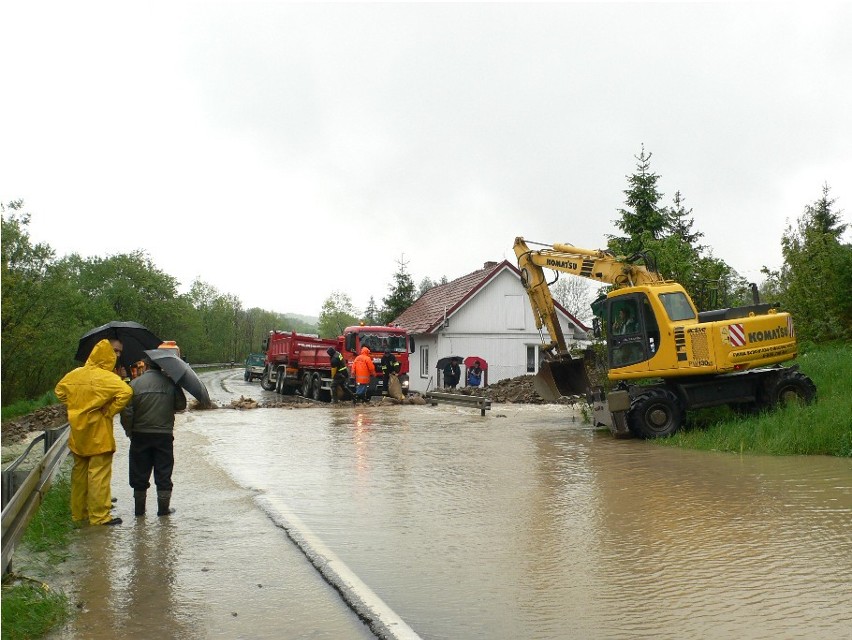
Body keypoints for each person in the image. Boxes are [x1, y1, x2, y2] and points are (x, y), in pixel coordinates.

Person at [55, 338, 133, 526]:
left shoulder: (74, 374)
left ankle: (79, 514)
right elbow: (126, 392)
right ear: (107, 357)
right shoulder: (107, 378)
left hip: (78, 434)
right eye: (115, 353)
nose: (117, 356)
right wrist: (110, 410)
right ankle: (99, 516)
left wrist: (75, 405)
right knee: (98, 475)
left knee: (79, 475)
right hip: (99, 433)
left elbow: (59, 391)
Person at [120, 355, 187, 516]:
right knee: (164, 472)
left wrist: (130, 431)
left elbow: (127, 412)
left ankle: (139, 511)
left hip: (140, 434)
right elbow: (181, 405)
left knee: (139, 472)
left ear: (147, 365)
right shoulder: (170, 384)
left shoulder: (135, 384)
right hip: (163, 435)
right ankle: (163, 510)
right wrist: (176, 386)